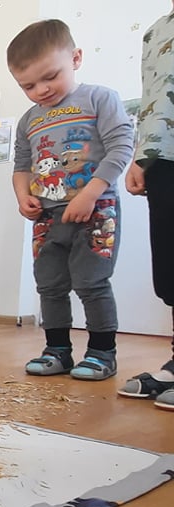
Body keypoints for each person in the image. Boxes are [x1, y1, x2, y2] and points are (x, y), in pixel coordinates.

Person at [7, 19, 133, 381]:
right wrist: (23, 196)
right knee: (49, 284)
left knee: (92, 282)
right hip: (47, 217)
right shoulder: (29, 121)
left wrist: (90, 193)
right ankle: (57, 350)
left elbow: (121, 147)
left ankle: (102, 352)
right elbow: (21, 166)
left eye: (50, 77)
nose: (41, 90)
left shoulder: (99, 98)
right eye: (28, 86)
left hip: (96, 210)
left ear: (75, 58)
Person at [122, 2, 174, 410]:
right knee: (170, 269)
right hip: (163, 159)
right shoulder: (156, 31)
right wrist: (144, 153)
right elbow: (154, 97)